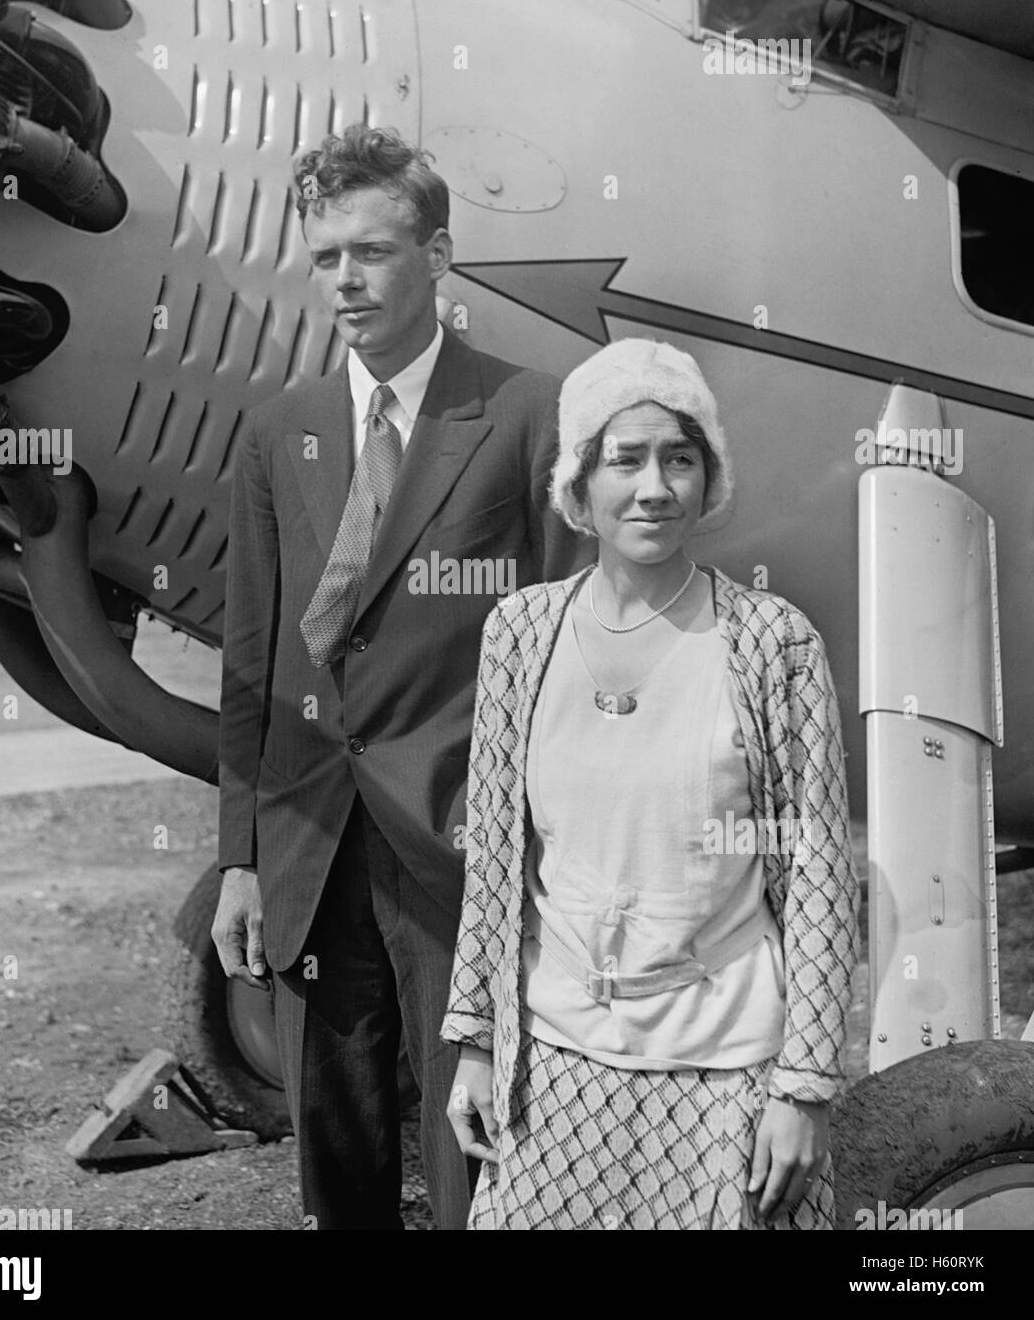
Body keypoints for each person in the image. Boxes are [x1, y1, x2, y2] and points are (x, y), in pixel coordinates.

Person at [211, 124, 591, 1230]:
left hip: (462, 838)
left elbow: (573, 645)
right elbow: (252, 660)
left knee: (477, 1134)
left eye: (371, 251)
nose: (345, 279)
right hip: (308, 839)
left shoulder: (528, 413)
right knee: (338, 1142)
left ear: (436, 256)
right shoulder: (278, 432)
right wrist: (239, 852)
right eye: (325, 255)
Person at [442, 338, 860, 1230]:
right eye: (623, 459)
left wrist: (807, 1087)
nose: (654, 487)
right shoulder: (520, 633)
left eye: (680, 458)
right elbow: (493, 857)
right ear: (580, 487)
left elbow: (820, 876)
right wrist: (476, 1044)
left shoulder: (770, 643)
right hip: (554, 1075)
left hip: (726, 1084)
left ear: (709, 480)